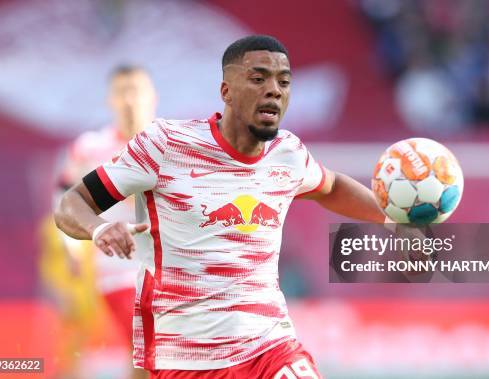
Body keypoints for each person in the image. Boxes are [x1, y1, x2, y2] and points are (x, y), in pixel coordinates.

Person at [54, 35, 388, 378]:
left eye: (283, 81)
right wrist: (99, 228)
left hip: (270, 348)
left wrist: (390, 214)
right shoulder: (165, 146)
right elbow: (71, 202)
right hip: (190, 358)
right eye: (258, 79)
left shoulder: (288, 153)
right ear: (226, 92)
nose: (274, 90)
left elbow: (329, 186)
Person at [59, 65, 156, 379]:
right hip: (118, 271)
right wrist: (71, 247)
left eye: (136, 91)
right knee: (146, 344)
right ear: (110, 100)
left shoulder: (170, 145)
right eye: (121, 92)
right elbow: (62, 200)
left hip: (169, 270)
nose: (130, 100)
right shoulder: (90, 148)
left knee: (146, 357)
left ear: (152, 97)